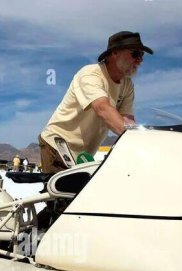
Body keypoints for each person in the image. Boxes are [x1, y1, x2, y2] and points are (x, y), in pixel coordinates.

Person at [38, 31, 152, 176]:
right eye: (135, 54)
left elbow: (127, 122)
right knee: (62, 190)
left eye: (142, 55)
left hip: (83, 155)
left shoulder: (127, 85)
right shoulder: (90, 74)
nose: (140, 60)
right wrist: (141, 144)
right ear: (114, 53)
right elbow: (102, 108)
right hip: (58, 145)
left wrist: (145, 143)